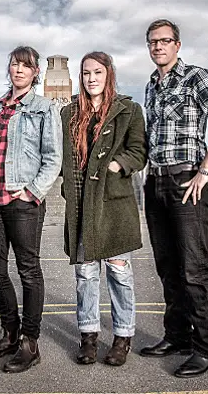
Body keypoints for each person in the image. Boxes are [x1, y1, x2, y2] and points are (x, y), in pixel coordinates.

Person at [140, 19, 208, 378]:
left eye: (165, 41)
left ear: (177, 45)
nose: (158, 46)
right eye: (153, 42)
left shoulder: (197, 76)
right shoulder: (151, 86)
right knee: (168, 267)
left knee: (194, 268)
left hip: (187, 181)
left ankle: (207, 349)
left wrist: (205, 170)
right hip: (156, 183)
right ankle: (177, 336)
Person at [0, 46, 63, 373]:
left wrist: (32, 192)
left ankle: (30, 342)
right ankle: (10, 334)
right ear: (9, 68)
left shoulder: (44, 108)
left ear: (35, 72)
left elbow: (53, 157)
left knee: (28, 270)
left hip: (22, 202)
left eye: (26, 66)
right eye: (15, 64)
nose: (19, 70)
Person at [60, 52, 147, 367]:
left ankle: (122, 337)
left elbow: (138, 152)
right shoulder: (69, 113)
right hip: (81, 204)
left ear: (108, 74)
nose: (91, 78)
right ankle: (88, 337)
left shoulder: (129, 110)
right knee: (85, 273)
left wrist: (115, 165)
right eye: (86, 73)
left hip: (114, 204)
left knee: (119, 272)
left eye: (97, 72)